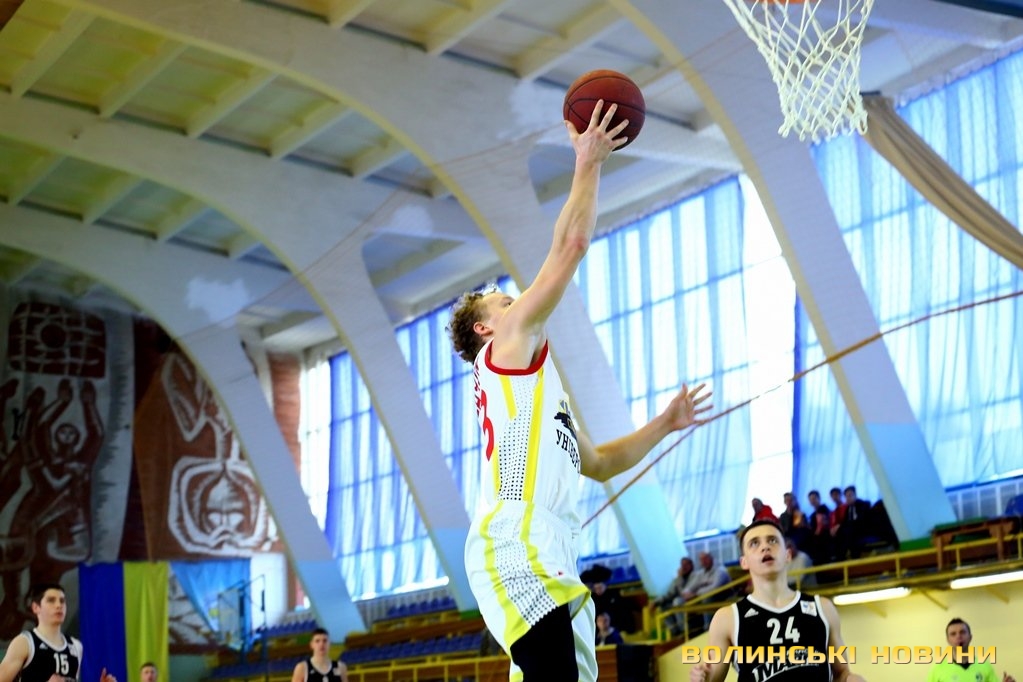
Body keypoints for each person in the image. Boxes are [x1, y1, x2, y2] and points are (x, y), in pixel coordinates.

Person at [447, 100, 713, 682]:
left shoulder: (540, 398)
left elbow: (601, 462)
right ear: (486, 329)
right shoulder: (503, 351)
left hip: (553, 551)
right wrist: (588, 161)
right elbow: (569, 247)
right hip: (517, 541)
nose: (520, 301)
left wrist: (665, 423)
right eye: (505, 301)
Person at [689, 520, 866, 682]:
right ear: (744, 562)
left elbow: (841, 673)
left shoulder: (823, 608)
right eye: (754, 543)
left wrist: (852, 679)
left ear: (787, 555)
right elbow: (711, 679)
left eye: (772, 540)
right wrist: (700, 678)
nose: (765, 547)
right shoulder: (727, 618)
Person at [0, 583, 117, 682]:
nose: (58, 605)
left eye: (62, 601)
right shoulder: (24, 642)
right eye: (51, 600)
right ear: (36, 607)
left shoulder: (76, 646)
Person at [927, 618, 1015, 682]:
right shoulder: (937, 669)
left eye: (962, 632)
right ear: (948, 640)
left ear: (970, 637)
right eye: (953, 634)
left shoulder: (984, 665)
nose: (958, 636)